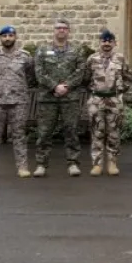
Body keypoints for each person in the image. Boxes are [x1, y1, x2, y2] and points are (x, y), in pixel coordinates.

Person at [33, 18, 86, 177]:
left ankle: (73, 163)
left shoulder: (77, 50)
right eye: (58, 28)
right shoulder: (42, 50)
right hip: (48, 98)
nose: (61, 30)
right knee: (44, 132)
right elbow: (39, 72)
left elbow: (80, 72)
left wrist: (66, 86)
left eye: (64, 28)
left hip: (70, 98)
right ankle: (41, 164)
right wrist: (55, 86)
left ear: (69, 31)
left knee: (71, 131)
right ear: (53, 30)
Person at [85, 30, 130, 177]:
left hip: (114, 100)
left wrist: (120, 91)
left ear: (114, 43)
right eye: (104, 41)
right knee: (96, 132)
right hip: (96, 100)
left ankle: (112, 162)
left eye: (109, 41)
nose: (106, 43)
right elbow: (85, 79)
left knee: (114, 133)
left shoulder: (120, 59)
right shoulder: (92, 59)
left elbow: (127, 77)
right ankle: (97, 164)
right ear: (100, 42)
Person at [0, 25, 35, 178]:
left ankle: (22, 167)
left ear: (15, 37)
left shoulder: (25, 56)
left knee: (19, 135)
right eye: (4, 36)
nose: (7, 39)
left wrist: (19, 88)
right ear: (0, 38)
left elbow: (30, 76)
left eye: (10, 36)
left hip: (18, 102)